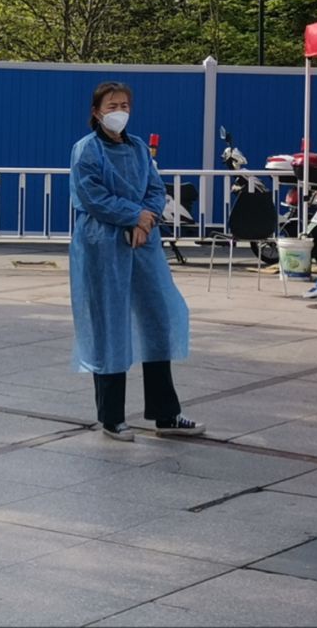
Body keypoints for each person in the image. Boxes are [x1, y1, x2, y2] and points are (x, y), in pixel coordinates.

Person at [69, 81, 206, 442]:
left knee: (157, 320)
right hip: (103, 245)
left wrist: (146, 220)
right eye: (112, 106)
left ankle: (166, 413)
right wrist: (134, 216)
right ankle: (112, 416)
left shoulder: (139, 148)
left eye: (125, 106)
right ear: (96, 112)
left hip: (143, 244)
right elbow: (92, 196)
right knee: (109, 324)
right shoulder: (86, 150)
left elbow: (155, 188)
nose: (120, 112)